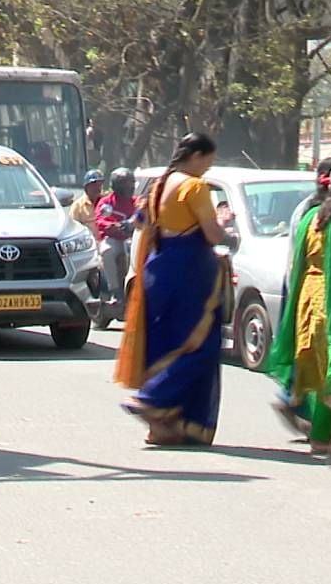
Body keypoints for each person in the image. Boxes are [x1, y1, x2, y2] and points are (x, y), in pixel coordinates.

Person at [115, 134, 230, 446]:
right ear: (197, 156)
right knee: (200, 346)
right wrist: (223, 219)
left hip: (159, 269)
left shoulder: (158, 186)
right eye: (208, 160)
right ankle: (153, 397)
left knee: (166, 344)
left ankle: (165, 427)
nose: (208, 167)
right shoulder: (194, 187)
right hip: (189, 272)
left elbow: (139, 222)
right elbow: (212, 234)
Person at [267, 165, 331, 455]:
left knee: (316, 364)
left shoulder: (312, 218)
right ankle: (323, 434)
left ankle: (323, 429)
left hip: (307, 299)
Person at [96, 167, 140, 305]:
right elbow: (100, 220)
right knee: (107, 251)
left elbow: (143, 214)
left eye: (131, 183)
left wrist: (133, 224)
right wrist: (113, 226)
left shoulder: (137, 202)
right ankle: (115, 291)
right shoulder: (106, 202)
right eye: (125, 184)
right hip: (114, 240)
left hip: (133, 240)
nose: (130, 187)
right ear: (116, 186)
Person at [70, 169, 104, 240]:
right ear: (86, 187)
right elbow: (73, 229)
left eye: (99, 184)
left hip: (105, 243)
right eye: (94, 185)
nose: (97, 188)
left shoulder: (105, 202)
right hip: (88, 244)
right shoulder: (78, 205)